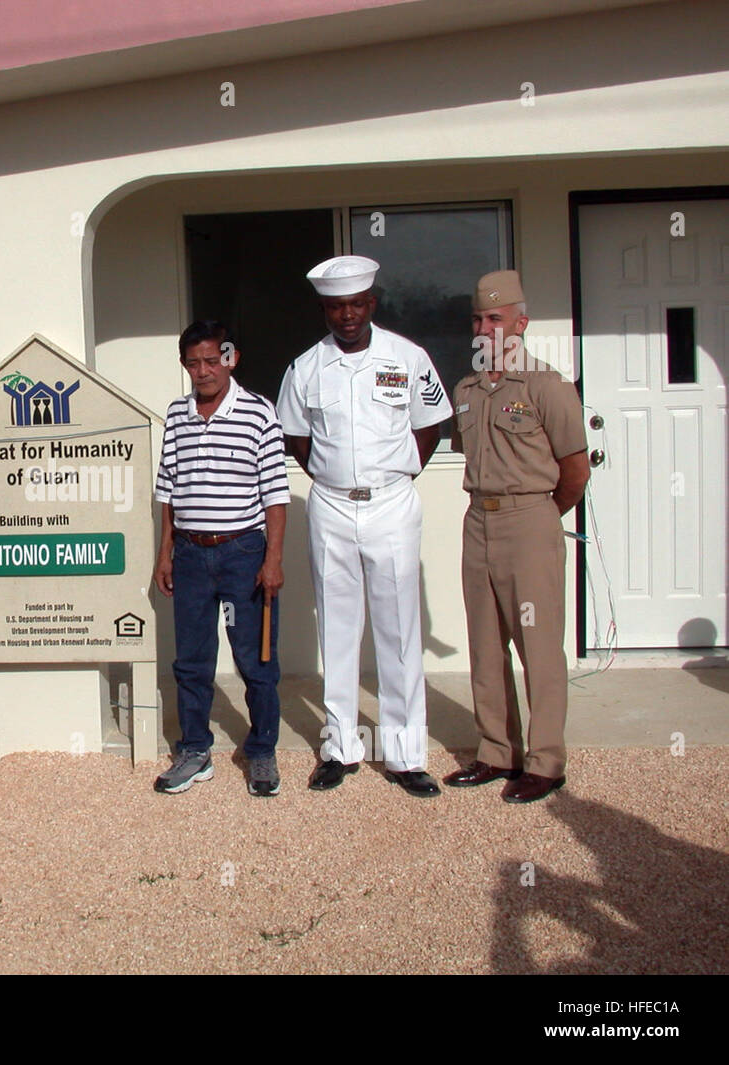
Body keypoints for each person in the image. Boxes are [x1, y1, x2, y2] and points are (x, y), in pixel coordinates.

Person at [277, 256, 451, 798]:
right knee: (338, 628)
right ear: (325, 310)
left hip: (392, 505)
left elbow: (430, 425)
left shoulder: (408, 357)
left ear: (371, 304)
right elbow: (297, 438)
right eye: (335, 306)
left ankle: (404, 756)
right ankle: (340, 748)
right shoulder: (306, 367)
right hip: (330, 505)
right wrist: (336, 480)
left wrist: (394, 476)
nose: (346, 315)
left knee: (399, 632)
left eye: (355, 304)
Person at [444, 270, 589, 803]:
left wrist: (544, 516)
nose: (486, 327)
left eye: (496, 317)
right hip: (478, 520)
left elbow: (575, 468)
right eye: (479, 318)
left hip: (531, 521)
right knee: (485, 645)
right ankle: (496, 752)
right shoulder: (465, 389)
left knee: (539, 646)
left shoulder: (548, 386)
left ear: (521, 322)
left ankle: (546, 761)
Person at [152, 321, 289, 797]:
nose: (204, 371)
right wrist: (165, 552)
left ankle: (262, 750)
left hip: (243, 553)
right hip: (191, 554)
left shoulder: (258, 412)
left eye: (213, 360)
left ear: (230, 358)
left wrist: (273, 560)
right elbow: (168, 489)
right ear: (184, 365)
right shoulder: (177, 414)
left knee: (255, 659)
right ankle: (195, 750)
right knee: (191, 660)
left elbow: (275, 492)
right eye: (194, 363)